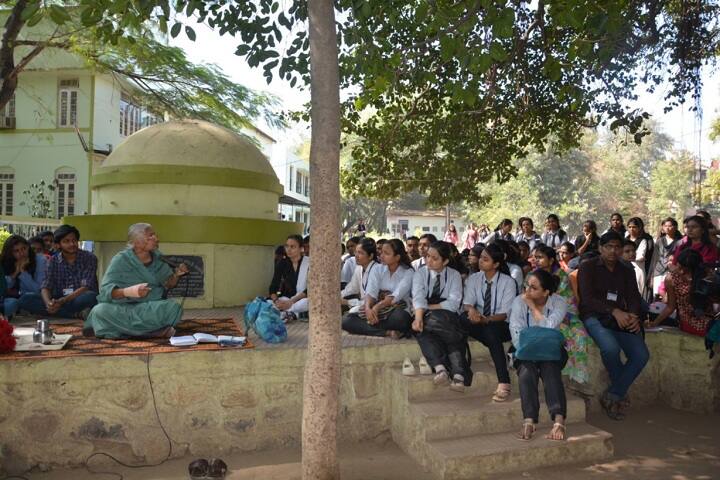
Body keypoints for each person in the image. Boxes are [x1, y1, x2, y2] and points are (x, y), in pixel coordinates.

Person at [578, 231, 649, 420]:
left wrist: (634, 315)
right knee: (610, 349)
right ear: (600, 248)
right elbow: (587, 299)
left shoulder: (627, 269)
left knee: (641, 355)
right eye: (608, 246)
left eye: (617, 247)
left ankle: (613, 394)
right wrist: (614, 311)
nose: (613, 251)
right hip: (594, 315)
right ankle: (618, 397)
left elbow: (634, 296)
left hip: (621, 317)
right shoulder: (588, 266)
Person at [83, 223, 188, 338]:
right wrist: (130, 292)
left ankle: (122, 331)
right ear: (136, 241)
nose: (156, 239)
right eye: (151, 236)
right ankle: (152, 332)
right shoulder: (121, 259)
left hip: (147, 308)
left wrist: (177, 275)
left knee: (173, 309)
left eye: (155, 235)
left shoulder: (158, 258)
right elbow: (106, 292)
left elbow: (169, 284)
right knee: (100, 311)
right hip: (122, 308)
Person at [509, 269, 569, 441]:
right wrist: (528, 350)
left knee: (550, 368)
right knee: (527, 371)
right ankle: (529, 420)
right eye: (526, 285)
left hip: (551, 350)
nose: (527, 291)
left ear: (546, 292)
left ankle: (559, 420)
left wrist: (533, 307)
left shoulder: (559, 302)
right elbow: (515, 332)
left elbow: (550, 327)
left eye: (533, 288)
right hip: (525, 349)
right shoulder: (518, 302)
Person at [461, 243, 517, 401]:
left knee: (491, 332)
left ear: (496, 264)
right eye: (481, 258)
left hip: (501, 325)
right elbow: (467, 303)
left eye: (485, 259)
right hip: (479, 320)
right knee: (460, 320)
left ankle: (504, 381)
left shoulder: (508, 282)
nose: (480, 261)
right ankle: (460, 370)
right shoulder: (474, 279)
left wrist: (486, 319)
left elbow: (505, 314)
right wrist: (472, 311)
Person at [412, 241, 466, 392]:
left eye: (435, 258)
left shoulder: (454, 275)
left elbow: (454, 303)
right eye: (428, 256)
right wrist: (418, 317)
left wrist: (427, 309)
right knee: (425, 330)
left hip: (445, 315)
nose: (429, 260)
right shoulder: (420, 273)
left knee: (425, 331)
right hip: (426, 314)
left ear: (446, 261)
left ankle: (440, 368)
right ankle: (458, 375)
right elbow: (418, 297)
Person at [533, 244, 591, 384]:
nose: (536, 260)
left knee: (580, 333)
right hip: (541, 315)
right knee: (558, 332)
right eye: (535, 257)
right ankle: (562, 371)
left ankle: (577, 374)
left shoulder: (561, 275)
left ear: (551, 260)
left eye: (540, 257)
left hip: (565, 313)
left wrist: (565, 315)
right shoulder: (532, 276)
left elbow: (568, 299)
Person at [20, 225, 98, 319]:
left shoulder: (89, 258)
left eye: (74, 240)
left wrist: (62, 301)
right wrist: (49, 303)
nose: (72, 244)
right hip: (59, 298)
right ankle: (75, 315)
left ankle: (59, 313)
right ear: (58, 245)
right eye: (66, 241)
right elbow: (45, 286)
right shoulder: (53, 261)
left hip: (79, 297)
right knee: (26, 299)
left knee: (90, 297)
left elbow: (86, 287)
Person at [342, 239, 413, 337]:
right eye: (382, 252)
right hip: (378, 313)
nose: (381, 255)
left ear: (397, 257)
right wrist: (368, 309)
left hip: (395, 312)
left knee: (401, 318)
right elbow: (371, 292)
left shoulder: (408, 272)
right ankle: (386, 332)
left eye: (386, 253)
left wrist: (376, 308)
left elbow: (394, 297)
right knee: (347, 320)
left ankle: (370, 327)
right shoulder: (378, 269)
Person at [647, 249, 711, 336]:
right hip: (689, 321)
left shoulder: (707, 277)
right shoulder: (671, 279)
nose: (681, 272)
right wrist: (655, 323)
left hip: (709, 317)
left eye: (686, 271)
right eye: (679, 267)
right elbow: (670, 307)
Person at [1, 235, 47, 319]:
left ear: (28, 247)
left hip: (32, 298)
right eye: (16, 251)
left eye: (24, 248)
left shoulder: (40, 260)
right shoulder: (5, 262)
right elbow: (3, 289)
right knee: (12, 303)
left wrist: (23, 272)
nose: (22, 253)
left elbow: (39, 290)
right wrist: (15, 273)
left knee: (27, 299)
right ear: (10, 253)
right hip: (11, 300)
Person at [269, 234, 309, 323]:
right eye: (287, 246)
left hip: (301, 300)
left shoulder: (309, 263)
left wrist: (291, 302)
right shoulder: (282, 263)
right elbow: (273, 287)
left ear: (301, 248)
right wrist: (276, 301)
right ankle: (289, 313)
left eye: (293, 247)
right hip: (285, 299)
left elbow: (310, 290)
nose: (289, 249)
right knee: (268, 303)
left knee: (309, 302)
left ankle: (287, 312)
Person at [341, 237, 379, 312]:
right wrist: (337, 296)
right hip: (363, 304)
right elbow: (352, 288)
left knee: (351, 314)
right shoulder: (359, 268)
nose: (356, 255)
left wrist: (347, 302)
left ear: (371, 256)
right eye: (356, 252)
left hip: (373, 307)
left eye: (361, 253)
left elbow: (372, 300)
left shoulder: (377, 270)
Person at [648, 217, 682, 297]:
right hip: (658, 271)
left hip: (672, 272)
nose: (667, 228)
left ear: (675, 227)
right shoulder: (659, 241)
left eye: (670, 226)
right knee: (657, 297)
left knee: (670, 296)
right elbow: (654, 259)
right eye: (665, 226)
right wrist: (651, 276)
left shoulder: (680, 241)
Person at [626, 217, 654, 283]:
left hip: (638, 270)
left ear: (639, 228)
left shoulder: (643, 240)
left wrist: (629, 258)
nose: (631, 229)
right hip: (625, 270)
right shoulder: (625, 239)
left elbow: (641, 256)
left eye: (634, 227)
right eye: (629, 227)